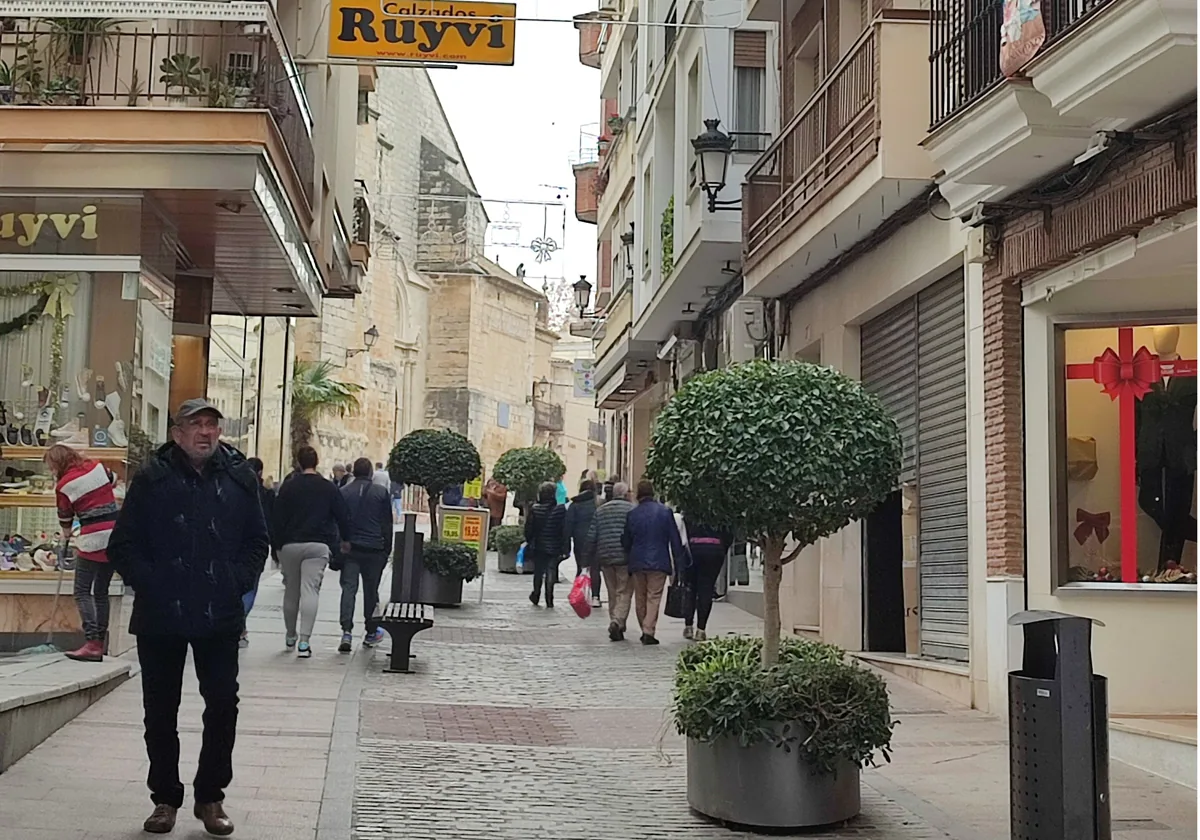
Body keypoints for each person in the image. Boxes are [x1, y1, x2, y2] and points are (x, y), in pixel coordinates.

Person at [108, 398, 268, 836]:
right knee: (160, 709)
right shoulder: (152, 478)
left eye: (211, 425)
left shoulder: (239, 478)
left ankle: (211, 797)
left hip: (219, 613)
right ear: (177, 433)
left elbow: (258, 541)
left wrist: (234, 581)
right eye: (195, 424)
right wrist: (153, 582)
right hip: (162, 615)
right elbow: (122, 544)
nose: (205, 432)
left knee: (223, 705)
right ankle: (164, 798)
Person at [272, 446, 351, 658]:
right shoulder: (328, 488)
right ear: (317, 462)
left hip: (290, 544)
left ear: (298, 462)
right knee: (310, 590)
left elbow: (276, 517)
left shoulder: (289, 487)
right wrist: (345, 540)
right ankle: (304, 642)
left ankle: (290, 635)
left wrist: (276, 546)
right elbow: (342, 515)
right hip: (318, 545)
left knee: (291, 591)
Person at [47, 444, 118, 662]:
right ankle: (100, 643)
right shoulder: (97, 467)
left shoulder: (64, 485)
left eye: (51, 466)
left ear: (58, 464)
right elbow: (114, 480)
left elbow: (65, 515)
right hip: (115, 534)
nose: (51, 470)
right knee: (101, 591)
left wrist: (66, 533)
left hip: (93, 538)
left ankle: (92, 642)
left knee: (81, 590)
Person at [621, 479, 687, 645]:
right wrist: (679, 561)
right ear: (653, 492)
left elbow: (626, 540)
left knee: (640, 597)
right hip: (659, 561)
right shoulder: (665, 512)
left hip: (637, 561)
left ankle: (644, 626)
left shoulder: (632, 514)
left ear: (638, 494)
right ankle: (648, 630)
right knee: (654, 596)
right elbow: (675, 539)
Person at [337, 458, 393, 652]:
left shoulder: (344, 492)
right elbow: (387, 524)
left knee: (348, 589)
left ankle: (346, 631)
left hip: (351, 549)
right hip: (374, 549)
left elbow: (338, 522)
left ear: (354, 472)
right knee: (371, 591)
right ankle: (371, 630)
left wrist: (339, 545)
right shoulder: (381, 492)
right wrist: (387, 549)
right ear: (370, 473)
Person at [586, 481, 634, 641]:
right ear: (625, 494)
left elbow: (592, 535)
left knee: (612, 591)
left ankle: (616, 621)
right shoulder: (631, 509)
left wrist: (587, 557)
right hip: (624, 556)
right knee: (624, 591)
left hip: (605, 556)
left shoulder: (601, 510)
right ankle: (617, 621)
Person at [239, 457, 276, 648]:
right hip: (256, 545)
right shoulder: (265, 494)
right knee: (251, 587)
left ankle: (238, 625)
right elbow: (270, 520)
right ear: (260, 472)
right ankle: (240, 625)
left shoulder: (236, 489)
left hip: (235, 545)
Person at [682, 517, 733, 641]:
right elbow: (729, 534)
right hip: (714, 550)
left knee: (691, 588)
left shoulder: (691, 511)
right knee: (706, 589)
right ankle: (701, 629)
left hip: (693, 548)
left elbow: (684, 531)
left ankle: (688, 626)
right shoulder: (721, 512)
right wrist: (722, 549)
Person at [524, 480, 567, 607]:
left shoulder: (535, 509)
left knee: (538, 571)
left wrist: (529, 541)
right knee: (551, 570)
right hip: (554, 545)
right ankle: (549, 598)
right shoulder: (560, 510)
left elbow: (529, 529)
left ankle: (536, 594)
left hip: (539, 545)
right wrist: (564, 546)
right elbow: (564, 529)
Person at [564, 478, 600, 608]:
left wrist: (566, 544)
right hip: (596, 540)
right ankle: (595, 597)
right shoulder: (597, 504)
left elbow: (568, 525)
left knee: (581, 567)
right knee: (595, 568)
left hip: (579, 540)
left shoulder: (575, 505)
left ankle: (579, 595)